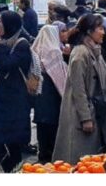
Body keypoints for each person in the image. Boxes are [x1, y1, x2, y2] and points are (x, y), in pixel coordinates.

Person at [53, 13, 106, 163]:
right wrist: (86, 118)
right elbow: (78, 90)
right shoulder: (80, 53)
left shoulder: (95, 51)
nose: (103, 32)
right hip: (82, 116)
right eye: (100, 28)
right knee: (80, 161)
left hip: (95, 111)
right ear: (89, 31)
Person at [0, 10, 33, 173]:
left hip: (15, 102)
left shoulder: (22, 44)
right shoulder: (4, 41)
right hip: (2, 99)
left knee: (11, 142)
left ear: (9, 25)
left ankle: (11, 170)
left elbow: (7, 64)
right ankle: (12, 170)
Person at [33, 25, 68, 163]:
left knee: (42, 127)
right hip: (51, 94)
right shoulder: (54, 51)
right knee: (53, 127)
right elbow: (60, 78)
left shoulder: (35, 49)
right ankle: (51, 157)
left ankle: (42, 155)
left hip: (40, 92)